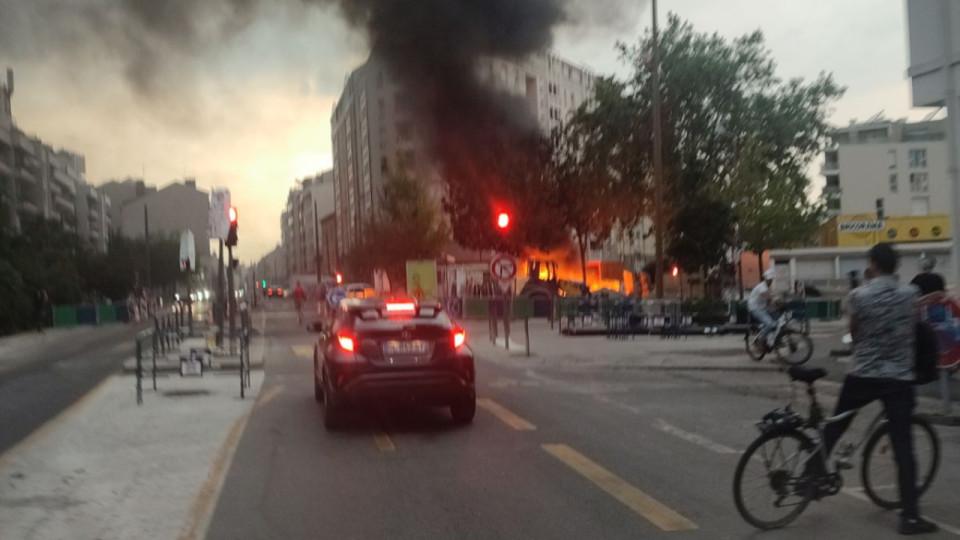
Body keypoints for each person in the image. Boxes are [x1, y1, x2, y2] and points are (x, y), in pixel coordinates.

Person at [821, 243, 938, 535]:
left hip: (862, 374)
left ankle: (812, 477)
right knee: (903, 448)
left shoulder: (859, 295)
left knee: (835, 427)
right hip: (898, 379)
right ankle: (910, 518)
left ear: (872, 265)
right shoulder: (912, 296)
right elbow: (915, 329)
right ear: (896, 266)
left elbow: (854, 334)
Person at [748, 268, 778, 348]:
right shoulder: (762, 287)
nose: (770, 281)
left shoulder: (768, 287)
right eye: (769, 279)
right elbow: (767, 296)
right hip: (755, 309)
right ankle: (760, 341)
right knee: (770, 324)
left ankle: (772, 338)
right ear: (765, 279)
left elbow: (768, 301)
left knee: (778, 319)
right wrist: (776, 299)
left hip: (763, 308)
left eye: (771, 279)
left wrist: (775, 307)